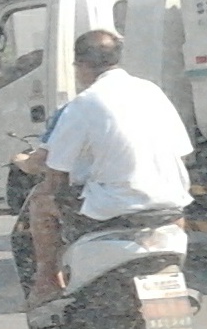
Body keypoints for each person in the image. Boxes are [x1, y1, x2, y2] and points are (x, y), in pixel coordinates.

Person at [24, 29, 194, 310]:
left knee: (41, 202)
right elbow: (183, 152)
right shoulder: (152, 92)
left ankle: (47, 282)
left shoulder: (84, 103)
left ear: (80, 65)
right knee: (174, 205)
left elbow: (56, 177)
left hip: (114, 209)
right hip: (170, 209)